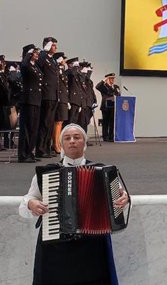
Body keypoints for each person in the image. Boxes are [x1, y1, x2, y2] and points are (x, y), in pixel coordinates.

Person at [18, 123, 129, 284]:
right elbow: (25, 204)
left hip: (92, 247)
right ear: (61, 144)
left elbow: (120, 201)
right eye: (67, 138)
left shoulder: (104, 172)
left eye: (77, 137)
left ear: (84, 143)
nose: (72, 141)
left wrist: (124, 200)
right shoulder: (48, 173)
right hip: (56, 246)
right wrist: (31, 204)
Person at [36, 37, 59, 158]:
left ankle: (46, 148)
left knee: (50, 124)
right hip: (46, 95)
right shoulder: (43, 57)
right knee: (44, 123)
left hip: (54, 95)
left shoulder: (53, 60)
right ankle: (40, 149)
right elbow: (38, 64)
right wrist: (43, 52)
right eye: (53, 45)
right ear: (48, 46)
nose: (56, 47)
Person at [19, 44, 43, 163]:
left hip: (36, 100)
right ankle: (23, 154)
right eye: (34, 52)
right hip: (28, 100)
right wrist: (28, 54)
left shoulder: (35, 66)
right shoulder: (25, 65)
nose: (37, 54)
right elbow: (23, 64)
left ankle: (30, 152)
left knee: (34, 128)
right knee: (27, 128)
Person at [96, 73, 121, 142]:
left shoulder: (116, 87)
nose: (112, 80)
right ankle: (105, 137)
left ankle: (111, 136)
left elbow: (119, 95)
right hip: (106, 106)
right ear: (107, 79)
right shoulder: (104, 86)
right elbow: (97, 87)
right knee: (105, 122)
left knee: (112, 122)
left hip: (114, 107)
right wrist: (103, 81)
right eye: (111, 78)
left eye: (113, 78)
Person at [53, 53, 69, 151]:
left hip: (63, 98)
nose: (65, 61)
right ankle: (55, 144)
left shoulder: (62, 71)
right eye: (63, 59)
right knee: (58, 122)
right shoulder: (56, 70)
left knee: (60, 122)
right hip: (59, 98)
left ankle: (57, 143)